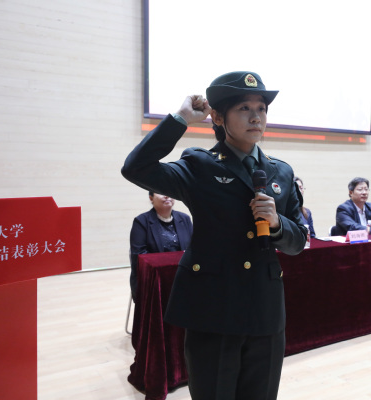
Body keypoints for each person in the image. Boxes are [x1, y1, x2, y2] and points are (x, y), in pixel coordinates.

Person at [121, 71, 307, 400]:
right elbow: (136, 168)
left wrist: (277, 223)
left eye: (261, 108)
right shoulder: (199, 165)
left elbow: (298, 242)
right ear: (219, 117)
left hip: (265, 310)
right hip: (214, 307)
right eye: (244, 108)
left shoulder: (281, 171)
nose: (256, 117)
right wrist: (180, 119)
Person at [129, 191, 193, 301]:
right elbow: (139, 255)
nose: (167, 195)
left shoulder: (185, 219)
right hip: (154, 279)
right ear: (151, 198)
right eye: (161, 192)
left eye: (170, 192)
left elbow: (193, 248)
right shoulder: (141, 221)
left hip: (182, 276)